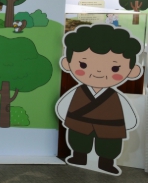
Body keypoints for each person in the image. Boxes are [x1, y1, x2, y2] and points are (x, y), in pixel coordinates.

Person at [56, 24, 143, 175]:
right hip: (79, 123)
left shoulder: (115, 96)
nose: (98, 71)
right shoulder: (78, 92)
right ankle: (79, 156)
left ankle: (106, 162)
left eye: (115, 68)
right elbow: (62, 107)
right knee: (79, 140)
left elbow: (128, 115)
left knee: (109, 144)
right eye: (83, 64)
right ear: (67, 63)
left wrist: (126, 123)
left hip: (109, 127)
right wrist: (68, 116)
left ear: (133, 71)